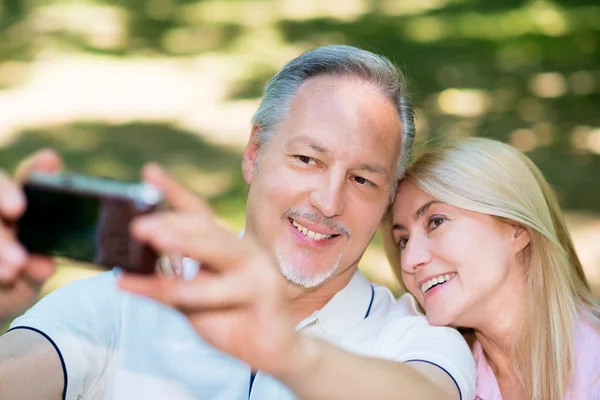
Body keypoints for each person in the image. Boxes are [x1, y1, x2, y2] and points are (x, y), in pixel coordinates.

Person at [0, 45, 476, 399]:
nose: (329, 202)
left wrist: (282, 349)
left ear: (388, 198)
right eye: (308, 159)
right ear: (255, 154)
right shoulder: (123, 304)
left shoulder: (416, 342)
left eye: (362, 180)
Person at [380, 137, 600, 399]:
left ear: (516, 228)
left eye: (436, 222)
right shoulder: (436, 380)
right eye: (403, 241)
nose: (408, 260)